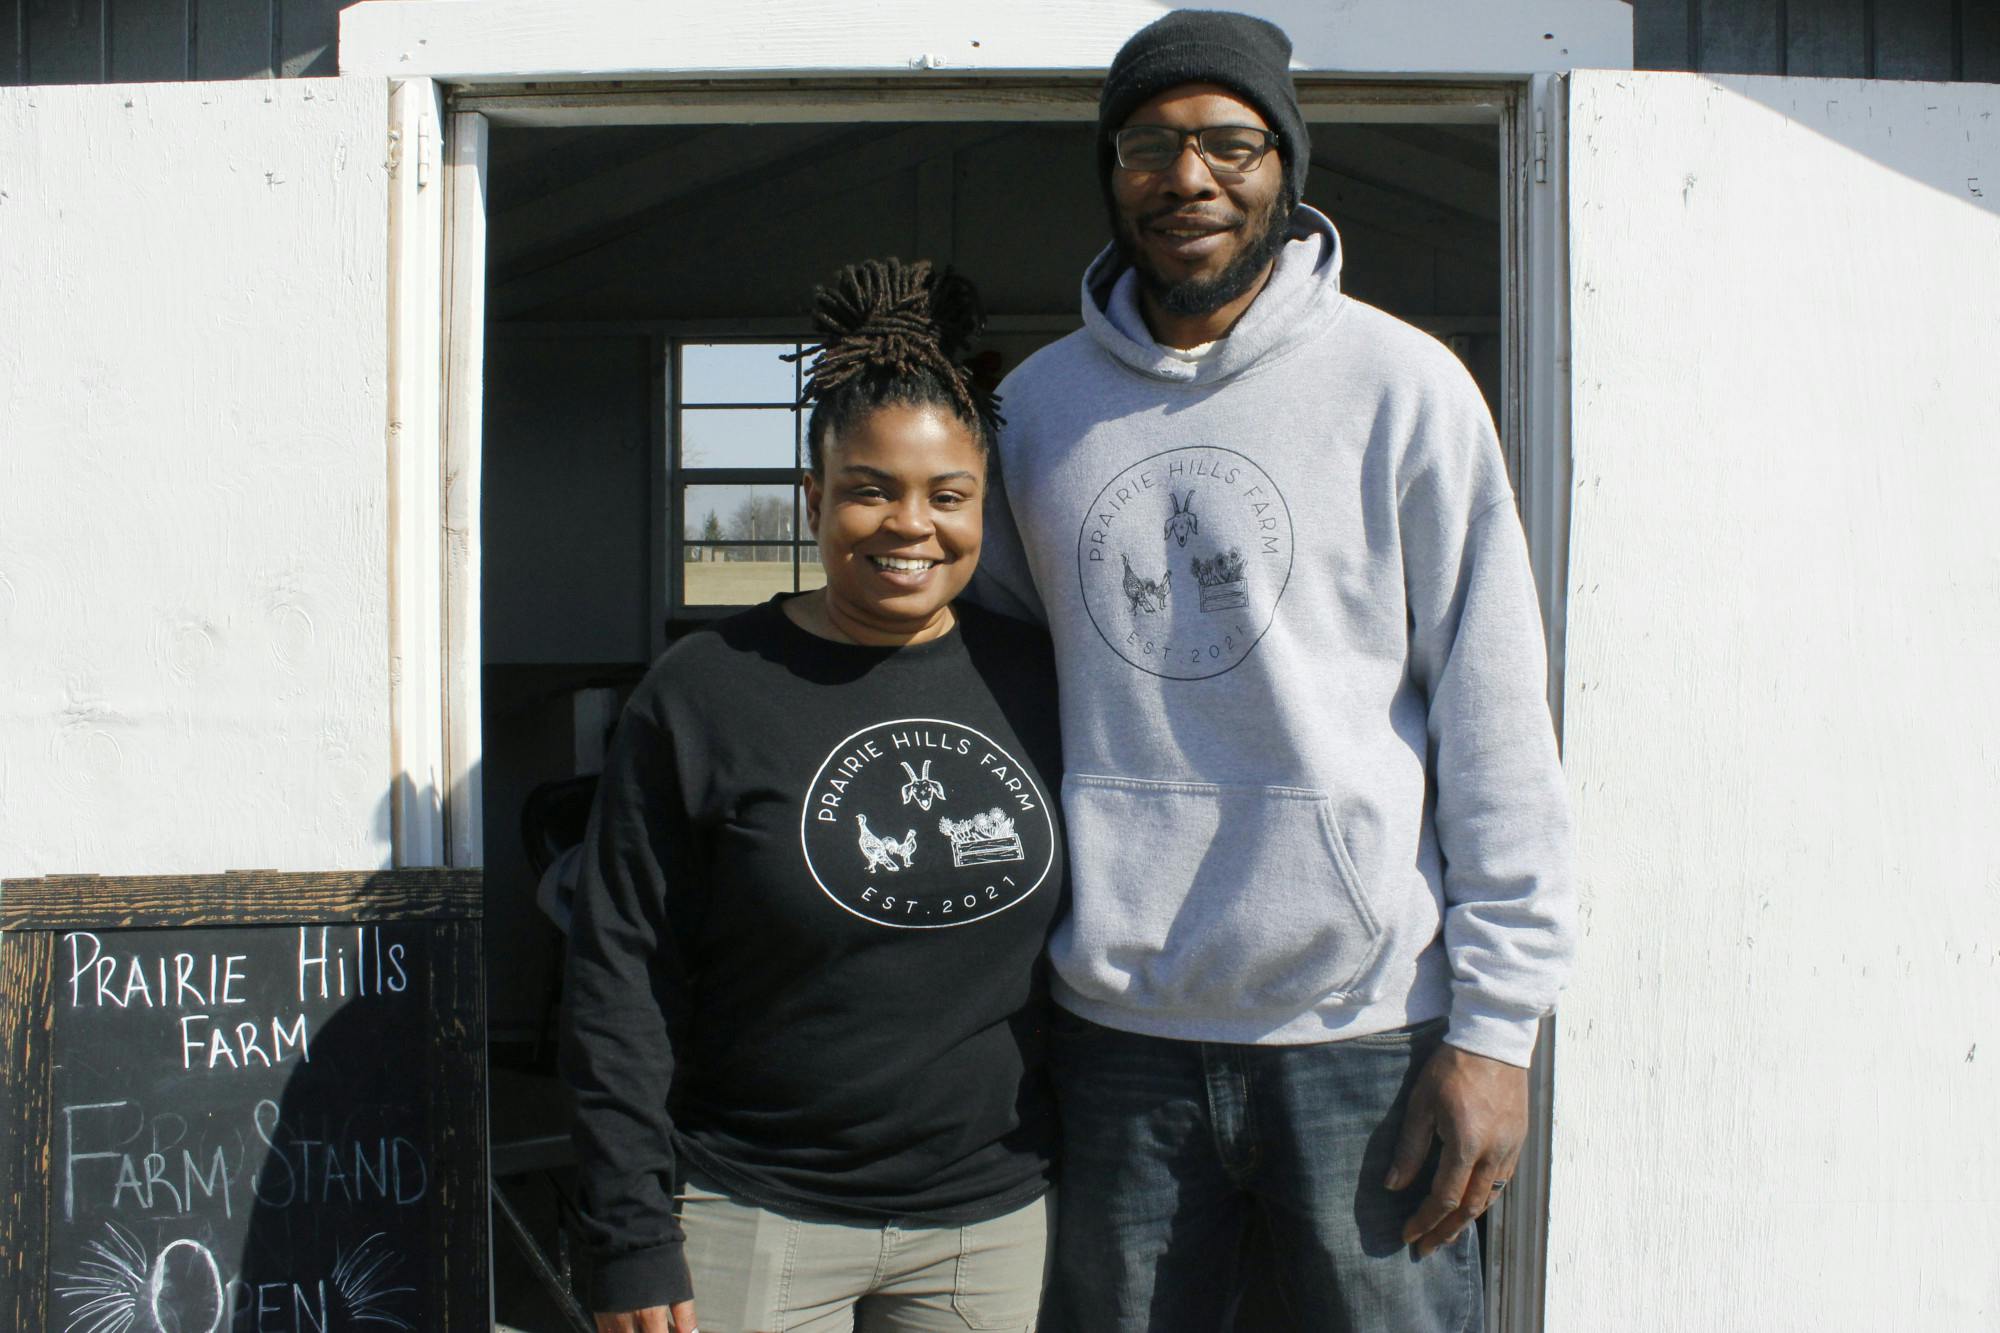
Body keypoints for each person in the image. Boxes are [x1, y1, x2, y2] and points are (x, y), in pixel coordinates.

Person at [968, 10, 1577, 1330]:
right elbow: (983, 686)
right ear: (1113, 172)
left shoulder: (1402, 387)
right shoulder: (1036, 415)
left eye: (1228, 143)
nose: (1188, 179)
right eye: (1148, 146)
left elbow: (1493, 716)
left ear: (1284, 167)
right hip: (1116, 1030)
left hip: (1366, 1032)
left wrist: (1496, 1030)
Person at [562, 258, 1065, 1333]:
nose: (907, 526)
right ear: (814, 498)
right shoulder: (701, 691)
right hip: (754, 1215)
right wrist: (627, 1231)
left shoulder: (1043, 680)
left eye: (947, 494)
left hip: (990, 1221)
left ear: (985, 504)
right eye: (869, 488)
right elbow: (618, 971)